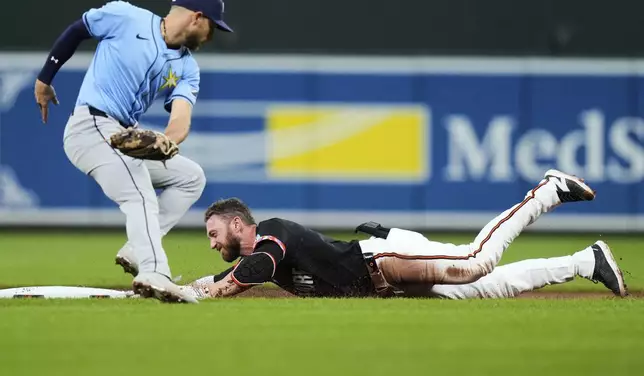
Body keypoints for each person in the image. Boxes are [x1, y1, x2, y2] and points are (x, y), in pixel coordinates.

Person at [33, 0, 234, 303]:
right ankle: (154, 272)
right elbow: (79, 29)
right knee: (139, 194)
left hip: (122, 135)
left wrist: (166, 141)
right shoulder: (126, 16)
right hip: (91, 127)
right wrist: (44, 78)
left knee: (191, 177)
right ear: (197, 17)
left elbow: (181, 119)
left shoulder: (187, 66)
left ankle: (135, 250)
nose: (210, 36)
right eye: (212, 27)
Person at [178, 169, 628, 299]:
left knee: (476, 262)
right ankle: (586, 261)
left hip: (383, 262)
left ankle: (549, 191)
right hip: (392, 283)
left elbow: (251, 270)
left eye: (215, 233)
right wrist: (185, 290)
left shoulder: (270, 235)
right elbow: (240, 273)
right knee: (494, 286)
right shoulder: (258, 256)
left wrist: (206, 291)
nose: (213, 243)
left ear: (238, 223)